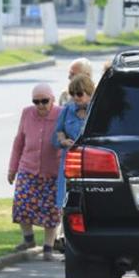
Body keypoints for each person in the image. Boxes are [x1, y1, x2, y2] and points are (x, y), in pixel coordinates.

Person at [8, 84, 62, 260]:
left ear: (52, 99)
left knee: (51, 210)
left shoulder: (61, 114)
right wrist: (12, 168)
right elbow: (19, 143)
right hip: (28, 167)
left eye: (44, 101)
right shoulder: (27, 113)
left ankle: (48, 248)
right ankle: (29, 240)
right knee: (22, 204)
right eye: (36, 101)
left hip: (52, 170)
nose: (40, 105)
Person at [52, 73, 95, 210]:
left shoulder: (96, 111)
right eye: (72, 93)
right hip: (70, 163)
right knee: (67, 204)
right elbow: (57, 133)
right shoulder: (67, 110)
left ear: (89, 93)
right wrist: (63, 140)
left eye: (79, 93)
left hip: (91, 162)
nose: (75, 97)